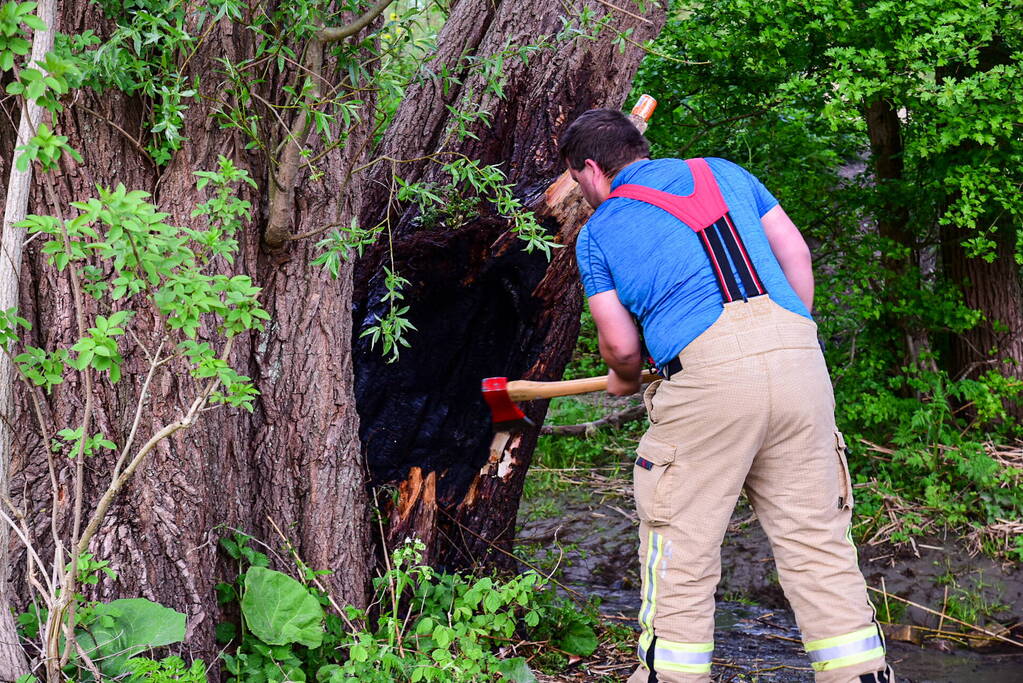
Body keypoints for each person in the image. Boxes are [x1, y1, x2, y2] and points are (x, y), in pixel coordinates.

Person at [558, 108, 893, 683]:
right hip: (800, 362)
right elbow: (797, 256)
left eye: (577, 181)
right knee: (817, 540)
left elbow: (620, 348)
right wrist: (783, 339)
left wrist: (620, 378)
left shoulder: (599, 233)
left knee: (681, 547)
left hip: (706, 381)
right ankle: (861, 674)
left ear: (590, 169)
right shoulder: (727, 173)